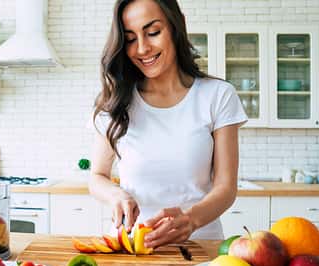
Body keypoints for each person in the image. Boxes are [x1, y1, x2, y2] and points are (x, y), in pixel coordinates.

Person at [89, 0, 248, 249]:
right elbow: (97, 176)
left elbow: (226, 188)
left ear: (176, 26)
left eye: (153, 32)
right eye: (130, 39)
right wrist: (115, 194)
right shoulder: (115, 102)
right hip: (132, 246)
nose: (142, 48)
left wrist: (191, 220)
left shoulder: (217, 95)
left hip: (200, 246)